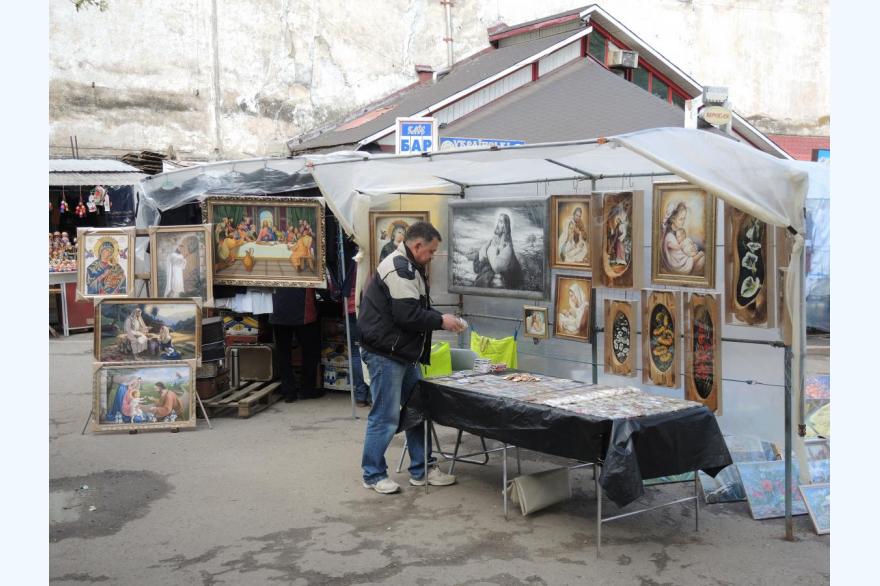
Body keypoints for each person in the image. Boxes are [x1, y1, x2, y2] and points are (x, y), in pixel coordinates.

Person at [358, 221, 467, 494]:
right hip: (385, 353)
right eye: (431, 251)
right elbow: (407, 315)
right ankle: (373, 475)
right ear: (417, 246)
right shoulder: (399, 268)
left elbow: (410, 310)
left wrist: (439, 320)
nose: (432, 257)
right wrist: (442, 320)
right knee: (385, 417)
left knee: (418, 411)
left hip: (401, 352)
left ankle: (423, 469)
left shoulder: (409, 265)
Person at [271, 287, 324, 402]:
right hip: (302, 306)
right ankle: (307, 389)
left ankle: (288, 391)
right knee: (310, 350)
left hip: (278, 306)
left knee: (283, 352)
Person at [473, 213, 523, 289]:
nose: (497, 224)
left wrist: (491, 250)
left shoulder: (507, 246)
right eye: (498, 221)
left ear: (505, 227)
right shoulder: (493, 239)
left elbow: (496, 267)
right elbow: (481, 255)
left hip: (507, 279)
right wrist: (485, 253)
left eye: (500, 222)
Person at [660, 202, 705, 275]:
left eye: (684, 219)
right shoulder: (669, 236)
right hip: (678, 263)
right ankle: (697, 257)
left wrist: (691, 247)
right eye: (681, 219)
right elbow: (677, 253)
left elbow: (684, 246)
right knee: (702, 259)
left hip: (684, 256)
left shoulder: (678, 231)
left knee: (702, 258)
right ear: (673, 220)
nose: (683, 222)